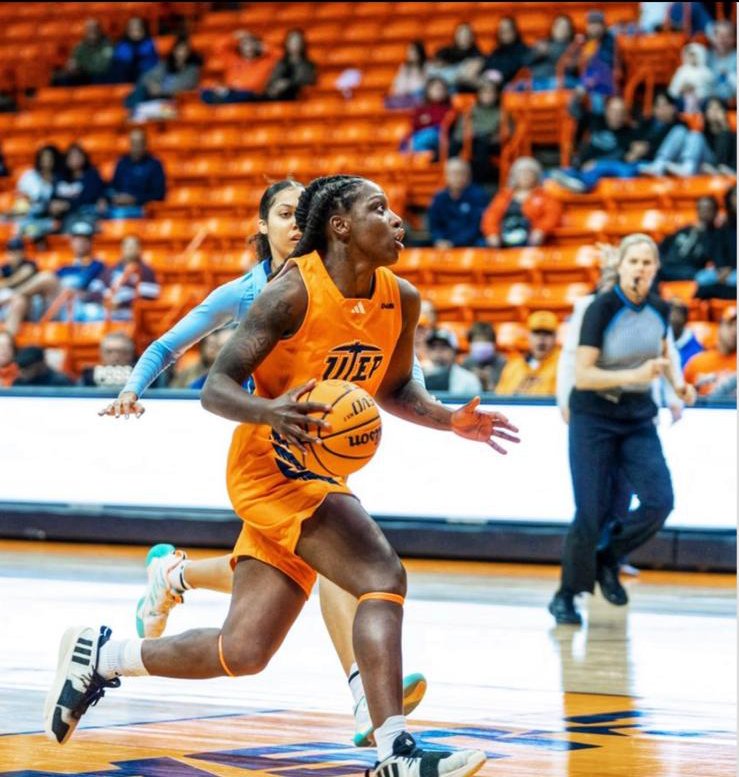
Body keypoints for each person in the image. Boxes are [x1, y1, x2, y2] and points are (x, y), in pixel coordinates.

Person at [47, 175, 520, 777]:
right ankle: (393, 749)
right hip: (268, 466)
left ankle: (102, 656)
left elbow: (397, 388)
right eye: (379, 209)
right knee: (380, 575)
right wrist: (269, 410)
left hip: (314, 470)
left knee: (243, 650)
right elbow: (215, 388)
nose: (397, 220)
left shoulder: (400, 297)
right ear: (341, 226)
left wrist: (450, 419)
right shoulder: (289, 292)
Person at [97, 180, 429, 747]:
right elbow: (171, 346)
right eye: (284, 213)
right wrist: (132, 387)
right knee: (355, 566)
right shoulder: (258, 290)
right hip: (268, 446)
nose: (296, 222)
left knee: (249, 640)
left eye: (303, 212)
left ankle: (167, 582)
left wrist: (435, 410)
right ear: (263, 226)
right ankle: (367, 698)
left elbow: (393, 365)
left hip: (322, 446)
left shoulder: (358, 283)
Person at [549, 233, 694, 625]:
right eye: (634, 261)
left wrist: (679, 387)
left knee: (659, 501)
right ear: (621, 266)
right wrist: (633, 375)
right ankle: (566, 595)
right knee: (591, 510)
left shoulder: (660, 310)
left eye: (647, 262)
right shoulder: (599, 308)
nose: (640, 268)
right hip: (593, 415)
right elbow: (582, 374)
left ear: (656, 269)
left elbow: (664, 356)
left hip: (636, 416)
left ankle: (607, 557)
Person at [3, 221, 105, 335]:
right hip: (53, 306)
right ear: (71, 242)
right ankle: (6, 340)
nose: (80, 243)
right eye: (76, 239)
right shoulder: (64, 268)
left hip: (76, 307)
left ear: (91, 242)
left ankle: (7, 298)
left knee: (47, 278)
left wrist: (82, 294)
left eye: (84, 240)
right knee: (20, 301)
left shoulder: (98, 266)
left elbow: (101, 292)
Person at [549, 96, 640, 193]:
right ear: (607, 111)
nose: (617, 116)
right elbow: (575, 112)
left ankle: (582, 185)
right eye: (614, 111)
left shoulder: (629, 132)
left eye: (621, 112)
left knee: (599, 169)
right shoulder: (596, 120)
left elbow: (621, 155)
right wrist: (578, 97)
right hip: (583, 165)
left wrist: (597, 162)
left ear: (625, 115)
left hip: (603, 168)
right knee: (552, 175)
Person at [481, 157, 562, 247]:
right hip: (503, 240)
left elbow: (552, 215)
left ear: (536, 176)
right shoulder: (504, 195)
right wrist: (492, 233)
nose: (525, 176)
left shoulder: (545, 195)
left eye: (529, 173)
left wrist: (541, 230)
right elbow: (491, 216)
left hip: (533, 242)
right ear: (514, 176)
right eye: (521, 173)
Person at [449, 78, 511, 184]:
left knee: (481, 145)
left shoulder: (502, 112)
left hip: (491, 144)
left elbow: (507, 133)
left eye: (491, 93)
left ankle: (479, 180)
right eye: (484, 92)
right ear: (479, 94)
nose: (488, 96)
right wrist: (469, 135)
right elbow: (459, 131)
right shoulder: (470, 110)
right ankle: (452, 174)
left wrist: (494, 137)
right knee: (454, 145)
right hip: (469, 141)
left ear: (497, 95)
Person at [125, 36, 202, 113]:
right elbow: (145, 77)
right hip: (153, 97)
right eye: (179, 50)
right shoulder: (165, 65)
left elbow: (183, 86)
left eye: (184, 50)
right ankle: (131, 111)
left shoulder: (193, 70)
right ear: (174, 51)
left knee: (140, 101)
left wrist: (160, 90)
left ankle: (133, 112)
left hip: (172, 100)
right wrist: (152, 85)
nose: (181, 53)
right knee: (140, 90)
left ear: (189, 53)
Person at [427, 157, 490, 248]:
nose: (456, 177)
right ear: (446, 176)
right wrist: (439, 239)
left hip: (472, 243)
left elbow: (477, 227)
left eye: (460, 173)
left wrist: (454, 243)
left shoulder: (479, 196)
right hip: (445, 244)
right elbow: (434, 225)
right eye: (452, 173)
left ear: (468, 175)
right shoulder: (439, 198)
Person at [200, 31, 278, 104]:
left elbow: (281, 57)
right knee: (206, 92)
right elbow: (218, 47)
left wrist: (266, 47)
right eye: (245, 44)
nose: (249, 47)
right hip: (230, 92)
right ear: (240, 46)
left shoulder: (266, 61)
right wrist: (234, 36)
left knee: (244, 95)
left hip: (250, 95)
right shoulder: (233, 59)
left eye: (252, 44)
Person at [494, 311, 561, 395]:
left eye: (547, 333)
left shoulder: (562, 366)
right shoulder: (513, 367)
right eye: (537, 333)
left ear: (555, 337)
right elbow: (499, 397)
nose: (541, 338)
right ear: (528, 336)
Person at [658, 195, 720, 281]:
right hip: (667, 267)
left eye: (708, 209)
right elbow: (662, 246)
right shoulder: (685, 229)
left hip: (689, 271)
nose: (704, 212)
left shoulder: (716, 236)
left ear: (715, 212)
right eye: (701, 208)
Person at [107, 129, 166, 218]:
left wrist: (134, 199)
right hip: (118, 206)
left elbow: (159, 194)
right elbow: (114, 186)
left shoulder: (154, 165)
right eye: (133, 143)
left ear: (145, 145)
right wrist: (112, 197)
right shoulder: (122, 162)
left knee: (119, 214)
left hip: (142, 208)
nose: (136, 147)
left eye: (139, 143)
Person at [48, 143, 106, 234]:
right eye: (71, 156)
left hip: (87, 215)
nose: (75, 159)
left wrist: (67, 204)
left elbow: (89, 198)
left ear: (84, 158)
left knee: (81, 228)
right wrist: (54, 205)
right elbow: (54, 197)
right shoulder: (60, 176)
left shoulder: (91, 175)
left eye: (78, 156)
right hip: (65, 217)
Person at [99, 235, 160, 320]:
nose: (130, 249)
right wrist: (105, 301)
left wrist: (121, 303)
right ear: (122, 249)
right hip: (107, 309)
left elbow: (149, 295)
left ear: (139, 249)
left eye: (133, 246)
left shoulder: (146, 271)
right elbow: (97, 289)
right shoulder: (110, 270)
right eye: (127, 246)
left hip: (131, 311)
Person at [684, 306, 737, 396]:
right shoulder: (697, 362)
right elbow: (683, 396)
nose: (735, 330)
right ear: (720, 327)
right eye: (730, 325)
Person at [696, 185, 737, 299]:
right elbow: (718, 251)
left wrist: (731, 268)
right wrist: (722, 268)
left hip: (734, 272)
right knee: (702, 277)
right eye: (735, 196)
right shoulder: (725, 226)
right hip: (726, 272)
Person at [11, 144, 63, 229]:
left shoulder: (61, 178)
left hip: (52, 217)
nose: (47, 159)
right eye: (44, 157)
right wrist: (26, 199)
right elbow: (20, 196)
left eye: (50, 157)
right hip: (30, 215)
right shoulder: (29, 176)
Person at [523, 14, 577, 91]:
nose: (561, 29)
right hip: (536, 81)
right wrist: (537, 53)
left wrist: (549, 50)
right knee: (512, 87)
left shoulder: (573, 47)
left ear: (570, 31)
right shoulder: (543, 43)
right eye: (559, 26)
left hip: (555, 81)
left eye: (565, 27)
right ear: (553, 28)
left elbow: (572, 67)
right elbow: (526, 61)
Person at [52, 19, 113, 87]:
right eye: (89, 29)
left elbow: (103, 66)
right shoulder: (80, 46)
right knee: (58, 78)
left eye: (94, 28)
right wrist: (71, 66)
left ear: (99, 30)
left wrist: (82, 66)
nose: (92, 31)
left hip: (99, 79)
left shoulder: (107, 45)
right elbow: (74, 61)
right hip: (81, 77)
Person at [402, 76, 452, 156]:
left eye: (441, 89)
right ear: (428, 91)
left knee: (430, 134)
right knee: (407, 141)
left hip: (438, 136)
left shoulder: (448, 109)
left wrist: (428, 120)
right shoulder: (421, 109)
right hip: (420, 138)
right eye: (436, 89)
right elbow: (414, 125)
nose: (439, 92)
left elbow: (444, 124)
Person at [423, 328, 483, 394]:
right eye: (433, 347)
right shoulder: (419, 376)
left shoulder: (469, 379)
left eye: (443, 347)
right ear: (427, 352)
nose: (438, 351)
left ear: (454, 351)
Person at [428, 22, 484, 92]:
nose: (464, 37)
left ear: (472, 37)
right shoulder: (446, 52)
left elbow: (467, 76)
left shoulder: (477, 56)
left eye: (467, 34)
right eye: (461, 34)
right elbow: (433, 70)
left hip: (464, 91)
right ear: (455, 36)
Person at [264, 29, 317, 101]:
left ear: (302, 44)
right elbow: (271, 81)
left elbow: (306, 80)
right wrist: (276, 86)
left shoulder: (308, 64)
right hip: (277, 96)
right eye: (292, 42)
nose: (295, 44)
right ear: (287, 43)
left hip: (295, 96)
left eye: (297, 42)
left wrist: (287, 84)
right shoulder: (281, 63)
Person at [478, 16, 529, 88]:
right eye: (501, 31)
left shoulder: (523, 51)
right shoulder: (496, 51)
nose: (504, 34)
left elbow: (515, 69)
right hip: (492, 86)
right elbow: (488, 67)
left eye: (507, 30)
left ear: (514, 31)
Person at [109, 17, 159, 84]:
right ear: (127, 31)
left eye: (138, 29)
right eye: (132, 29)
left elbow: (152, 65)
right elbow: (121, 62)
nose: (135, 32)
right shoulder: (121, 45)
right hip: (125, 79)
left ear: (144, 30)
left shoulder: (149, 44)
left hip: (146, 77)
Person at [668, 42, 714, 113]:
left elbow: (710, 88)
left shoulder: (706, 71)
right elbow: (673, 90)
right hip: (683, 101)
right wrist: (682, 89)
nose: (692, 58)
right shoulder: (681, 71)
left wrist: (696, 89)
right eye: (689, 55)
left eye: (694, 55)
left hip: (702, 100)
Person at [461, 321, 507, 391]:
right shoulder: (466, 363)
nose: (482, 344)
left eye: (486, 340)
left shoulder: (502, 364)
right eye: (477, 340)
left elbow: (506, 391)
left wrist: (488, 382)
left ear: (493, 343)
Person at [0, 237, 37, 314]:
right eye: (11, 253)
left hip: (29, 301)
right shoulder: (5, 267)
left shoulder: (29, 264)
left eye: (16, 253)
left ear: (22, 253)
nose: (13, 257)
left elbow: (23, 275)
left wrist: (4, 284)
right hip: (11, 301)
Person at [386, 41, 428, 109]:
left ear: (419, 52)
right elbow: (397, 84)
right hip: (405, 96)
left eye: (412, 51)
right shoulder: (404, 67)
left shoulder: (427, 66)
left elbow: (425, 85)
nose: (409, 53)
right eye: (408, 51)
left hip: (420, 96)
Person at [668, 298, 704, 369]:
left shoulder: (696, 350)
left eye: (677, 313)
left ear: (685, 319)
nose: (672, 318)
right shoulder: (660, 340)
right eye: (670, 312)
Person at [707, 21, 737, 103]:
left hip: (732, 103)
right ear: (713, 38)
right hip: (708, 103)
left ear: (734, 38)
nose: (722, 39)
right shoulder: (706, 56)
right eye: (719, 35)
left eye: (727, 36)